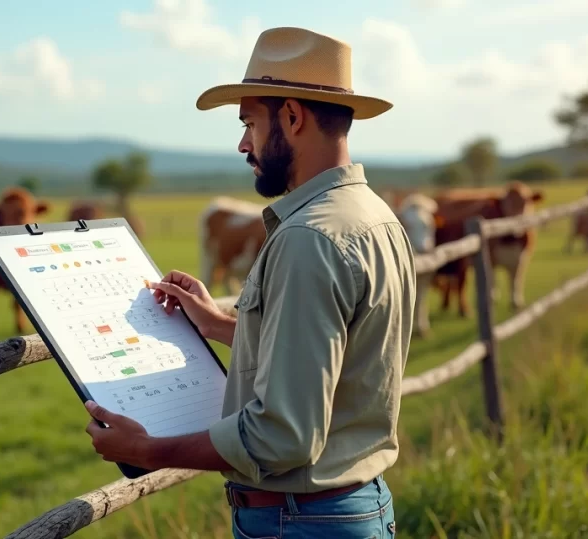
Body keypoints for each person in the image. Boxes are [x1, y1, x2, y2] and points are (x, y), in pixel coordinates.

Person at [82, 26, 416, 538]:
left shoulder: (309, 238)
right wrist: (219, 323)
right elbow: (326, 360)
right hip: (355, 505)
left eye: (250, 123)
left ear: (292, 116)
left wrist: (147, 451)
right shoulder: (374, 216)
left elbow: (283, 435)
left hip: (301, 521)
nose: (243, 143)